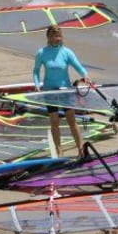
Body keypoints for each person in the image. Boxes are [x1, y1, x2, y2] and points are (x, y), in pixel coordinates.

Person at [32, 24, 90, 158]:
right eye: (54, 36)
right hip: (50, 92)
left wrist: (85, 76)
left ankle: (81, 149)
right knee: (54, 122)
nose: (57, 38)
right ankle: (59, 151)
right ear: (48, 37)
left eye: (59, 36)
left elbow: (78, 66)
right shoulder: (42, 53)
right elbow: (36, 71)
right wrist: (36, 84)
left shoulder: (67, 52)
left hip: (65, 91)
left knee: (71, 120)